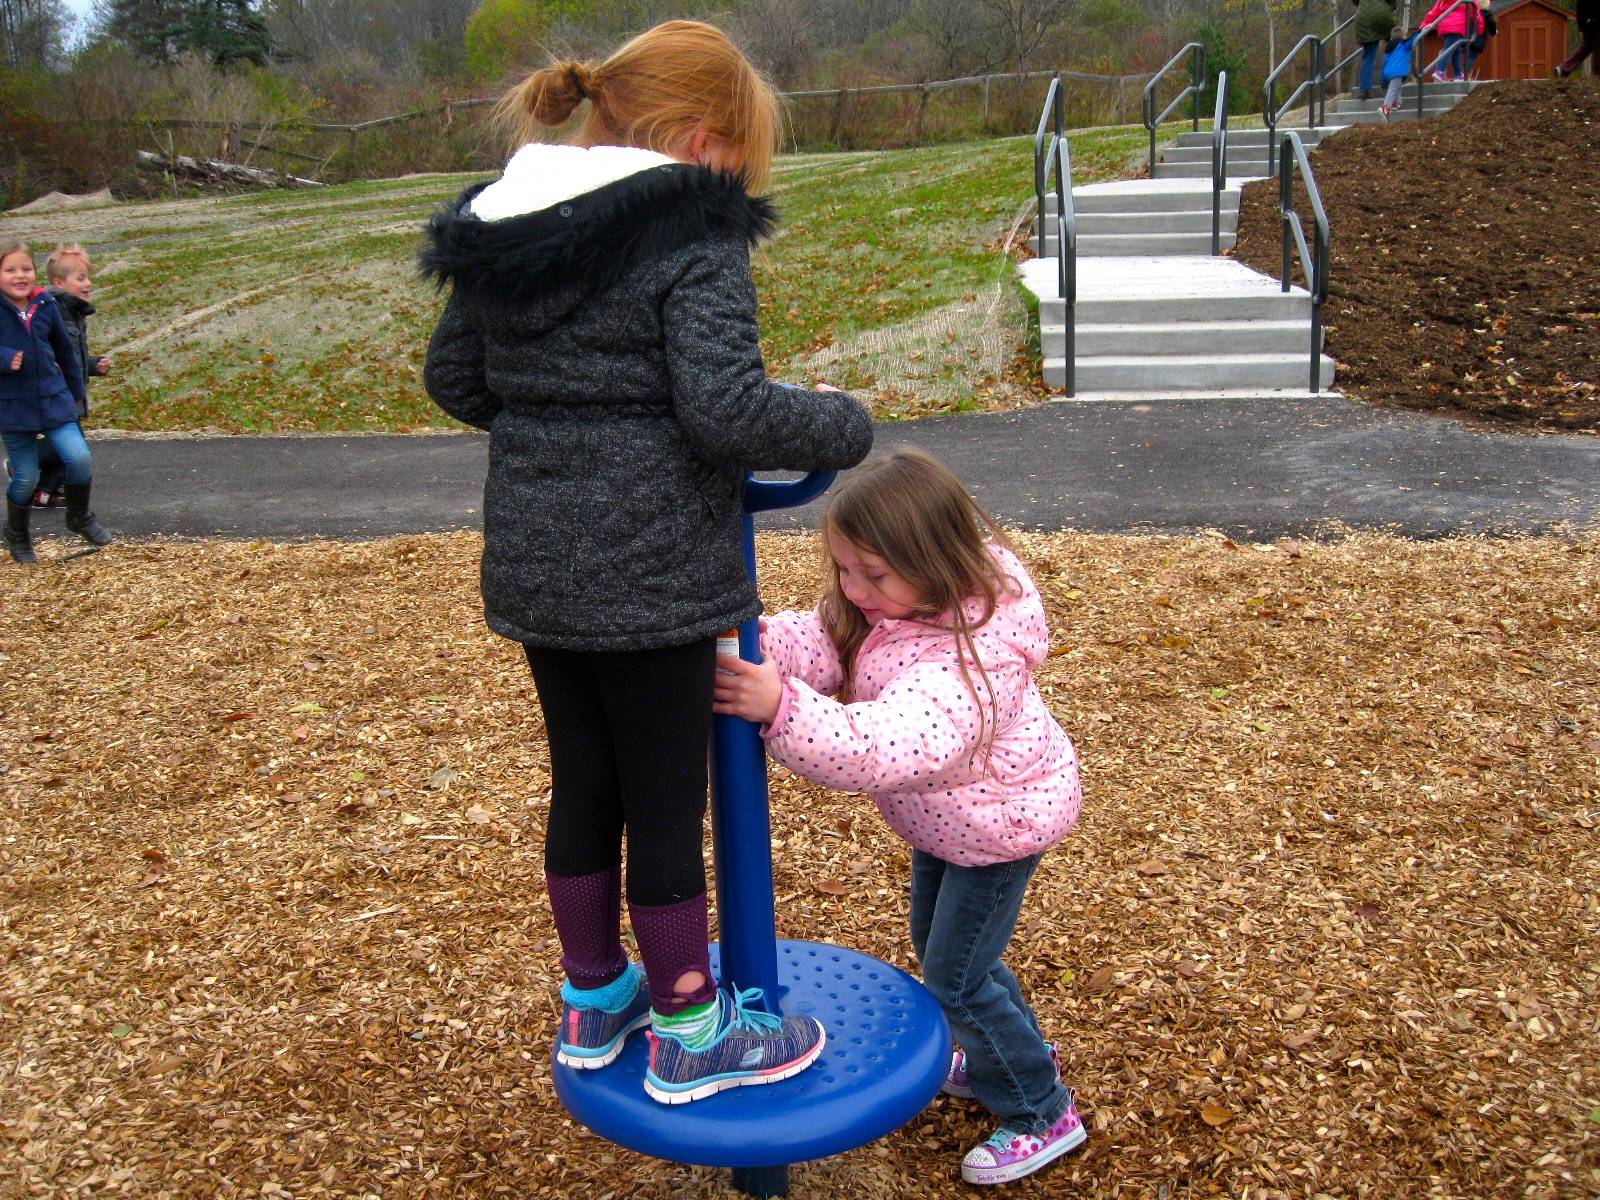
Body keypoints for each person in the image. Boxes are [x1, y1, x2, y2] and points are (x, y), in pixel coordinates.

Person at [420, 21, 873, 1105]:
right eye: (739, 156)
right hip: (656, 569)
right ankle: (687, 1028)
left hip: (538, 564)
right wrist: (841, 424)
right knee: (668, 803)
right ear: (700, 141)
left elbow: (454, 378)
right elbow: (723, 411)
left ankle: (595, 998)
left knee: (585, 781)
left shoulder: (503, 220)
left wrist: (555, 430)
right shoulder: (689, 231)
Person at [713, 450, 1085, 1186]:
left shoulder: (971, 662)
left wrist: (779, 706)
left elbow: (881, 746)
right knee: (947, 953)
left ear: (935, 560)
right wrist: (749, 640)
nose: (854, 589)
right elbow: (826, 636)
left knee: (956, 977)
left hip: (998, 827)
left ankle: (1042, 1110)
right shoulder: (896, 600)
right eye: (844, 568)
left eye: (873, 574)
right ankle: (1003, 1054)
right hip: (947, 820)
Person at [1, 240, 111, 565]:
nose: (20, 276)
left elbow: (64, 351)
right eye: (10, 270)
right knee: (25, 477)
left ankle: (78, 516)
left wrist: (76, 390)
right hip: (13, 406)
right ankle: (17, 533)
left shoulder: (45, 304)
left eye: (25, 269)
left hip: (54, 399)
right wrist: (5, 359)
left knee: (78, 456)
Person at [34, 245, 111, 509]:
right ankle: (26, 461)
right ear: (59, 282)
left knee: (70, 445)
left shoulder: (74, 312)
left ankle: (43, 491)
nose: (88, 283)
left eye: (88, 277)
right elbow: (49, 355)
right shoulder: (53, 313)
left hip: (71, 391)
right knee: (71, 445)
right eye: (80, 278)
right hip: (58, 393)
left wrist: (91, 365)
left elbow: (72, 356)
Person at [1422, 0, 1480, 81]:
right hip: (1458, 25)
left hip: (1444, 25)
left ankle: (1458, 74)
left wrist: (1425, 24)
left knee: (1456, 50)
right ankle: (1440, 71)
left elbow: (1435, 11)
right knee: (1448, 49)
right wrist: (1477, 24)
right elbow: (1475, 9)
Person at [1355, 0, 1400, 99]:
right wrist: (1391, 7)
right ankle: (1389, 81)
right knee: (1395, 46)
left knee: (1368, 55)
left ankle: (1365, 90)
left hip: (1363, 16)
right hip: (1382, 14)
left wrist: (1363, 5)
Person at [1381, 25, 1422, 118]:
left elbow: (1384, 63)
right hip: (1398, 71)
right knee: (1393, 88)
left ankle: (1397, 103)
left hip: (1388, 72)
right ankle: (1386, 106)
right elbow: (1412, 40)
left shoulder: (1388, 49)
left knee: (1397, 87)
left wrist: (1383, 80)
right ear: (1403, 36)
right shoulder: (1403, 45)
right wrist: (1420, 30)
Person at [1555, 0, 1598, 77]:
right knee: (1595, 48)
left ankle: (1563, 68)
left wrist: (1581, 26)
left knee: (1586, 47)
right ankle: (1598, 73)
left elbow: (1579, 5)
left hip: (1587, 22)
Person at [1461, 0, 1498, 79]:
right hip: (1476, 40)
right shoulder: (1486, 13)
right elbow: (1492, 23)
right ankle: (1463, 74)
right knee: (1471, 57)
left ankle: (1460, 74)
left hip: (1466, 36)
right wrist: (1493, 32)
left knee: (1463, 55)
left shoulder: (1471, 12)